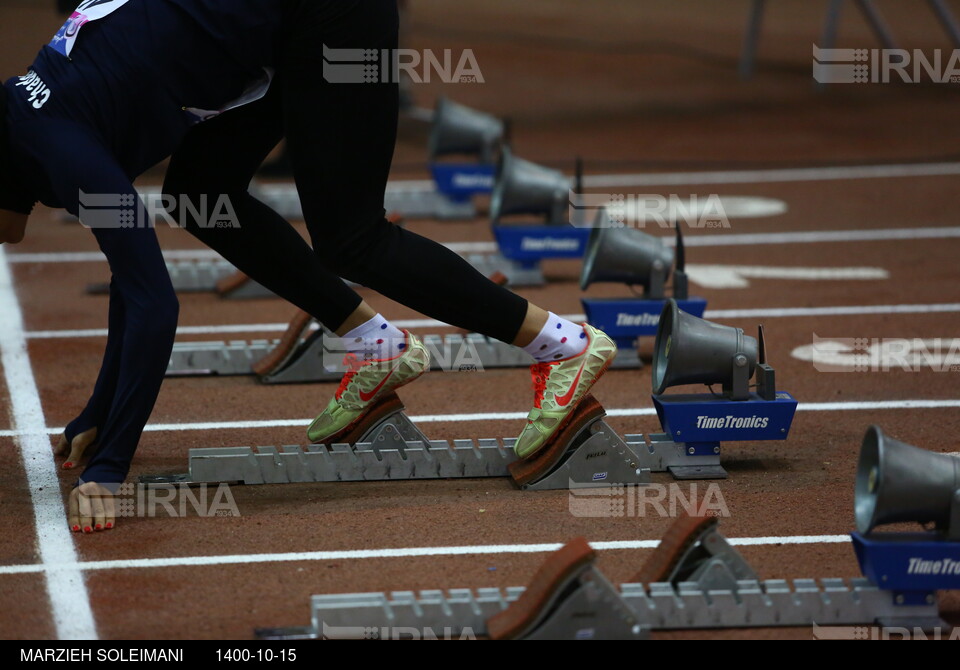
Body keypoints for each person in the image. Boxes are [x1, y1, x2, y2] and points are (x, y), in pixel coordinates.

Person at [0, 0, 617, 534]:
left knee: (353, 239)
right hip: (280, 28)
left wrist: (110, 469)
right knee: (200, 189)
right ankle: (377, 343)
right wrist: (101, 413)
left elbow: (156, 304)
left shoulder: (65, 150)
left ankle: (560, 344)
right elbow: (130, 277)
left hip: (330, 16)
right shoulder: (29, 114)